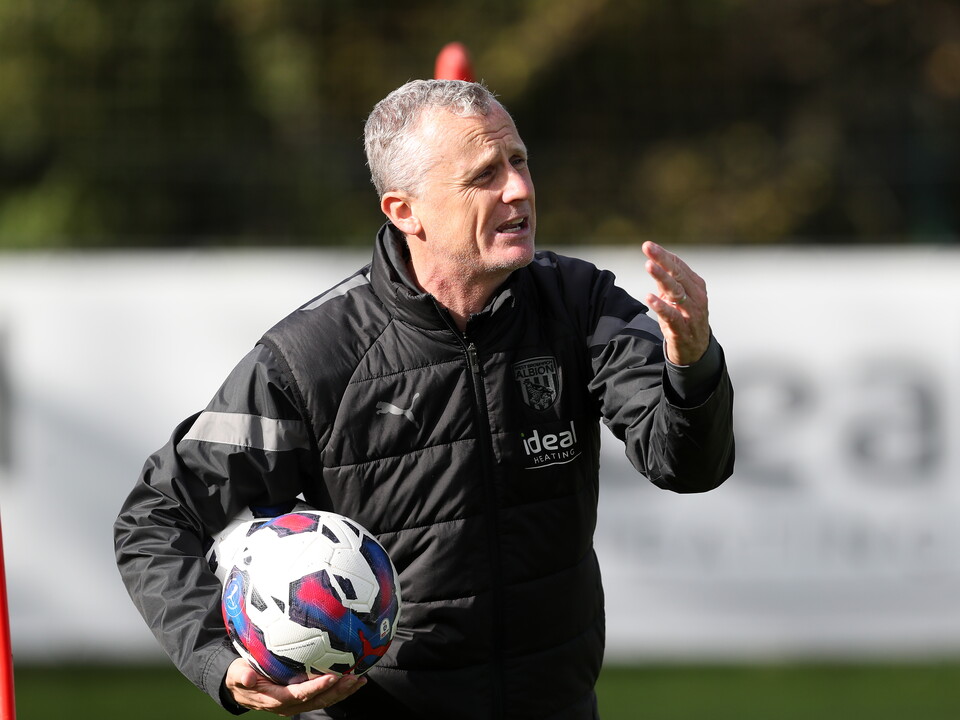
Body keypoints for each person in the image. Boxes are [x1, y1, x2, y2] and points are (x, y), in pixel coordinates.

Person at [114, 79, 734, 719]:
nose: (519, 188)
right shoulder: (313, 356)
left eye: (519, 160)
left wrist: (692, 366)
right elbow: (155, 516)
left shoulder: (580, 303)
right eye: (484, 175)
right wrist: (223, 662)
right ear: (404, 210)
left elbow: (689, 466)